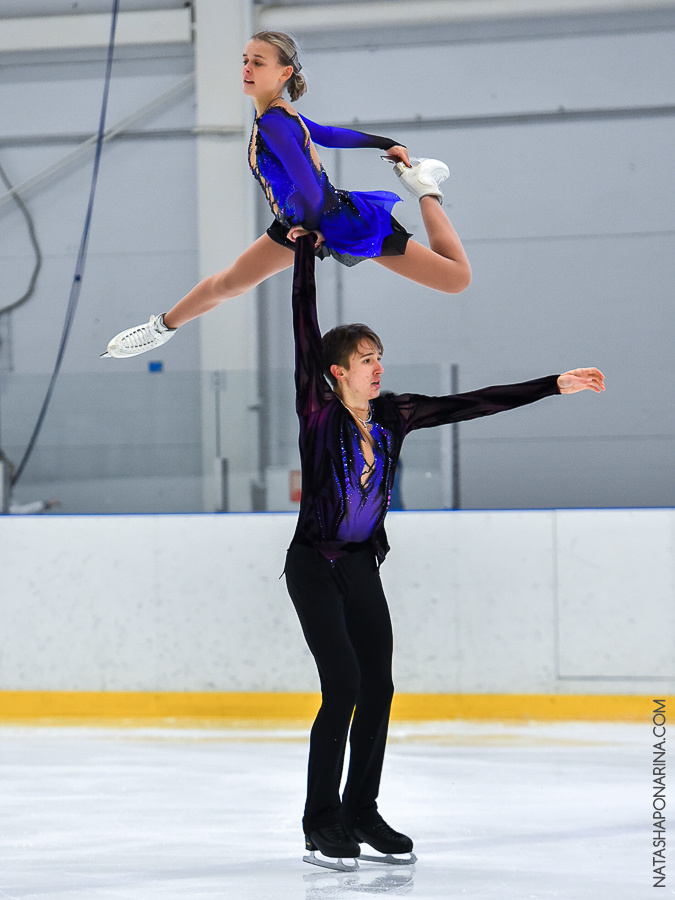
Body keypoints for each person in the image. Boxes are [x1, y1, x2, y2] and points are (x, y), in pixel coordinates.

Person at [286, 235, 604, 869]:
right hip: (314, 566)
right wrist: (304, 256)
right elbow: (304, 323)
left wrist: (553, 385)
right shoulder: (317, 411)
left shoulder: (395, 415)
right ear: (337, 371)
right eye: (364, 358)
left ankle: (361, 810)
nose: (376, 366)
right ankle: (320, 821)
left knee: (378, 685)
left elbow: (473, 402)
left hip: (358, 565)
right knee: (342, 684)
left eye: (379, 356)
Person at [101, 30, 471, 359]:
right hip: (301, 222)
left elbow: (309, 185)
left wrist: (316, 229)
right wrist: (386, 143)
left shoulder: (275, 123)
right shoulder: (280, 113)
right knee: (230, 282)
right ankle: (160, 329)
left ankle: (425, 188)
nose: (247, 68)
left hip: (336, 221)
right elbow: (326, 134)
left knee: (455, 279)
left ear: (283, 73)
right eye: (245, 61)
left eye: (257, 62)